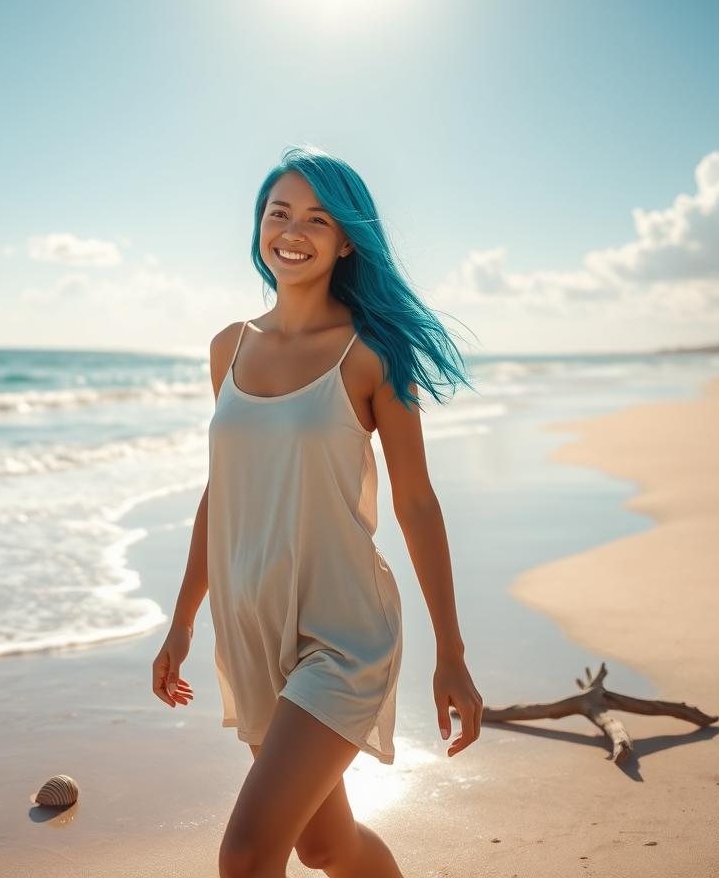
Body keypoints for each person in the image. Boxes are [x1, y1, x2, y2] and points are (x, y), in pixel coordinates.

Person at [151, 145, 482, 877]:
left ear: (345, 240)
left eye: (316, 218)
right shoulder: (228, 347)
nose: (292, 231)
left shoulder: (371, 355)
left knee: (246, 854)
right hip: (251, 622)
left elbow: (418, 502)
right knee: (325, 844)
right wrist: (181, 619)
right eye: (279, 212)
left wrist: (451, 653)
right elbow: (224, 488)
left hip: (342, 630)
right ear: (259, 226)